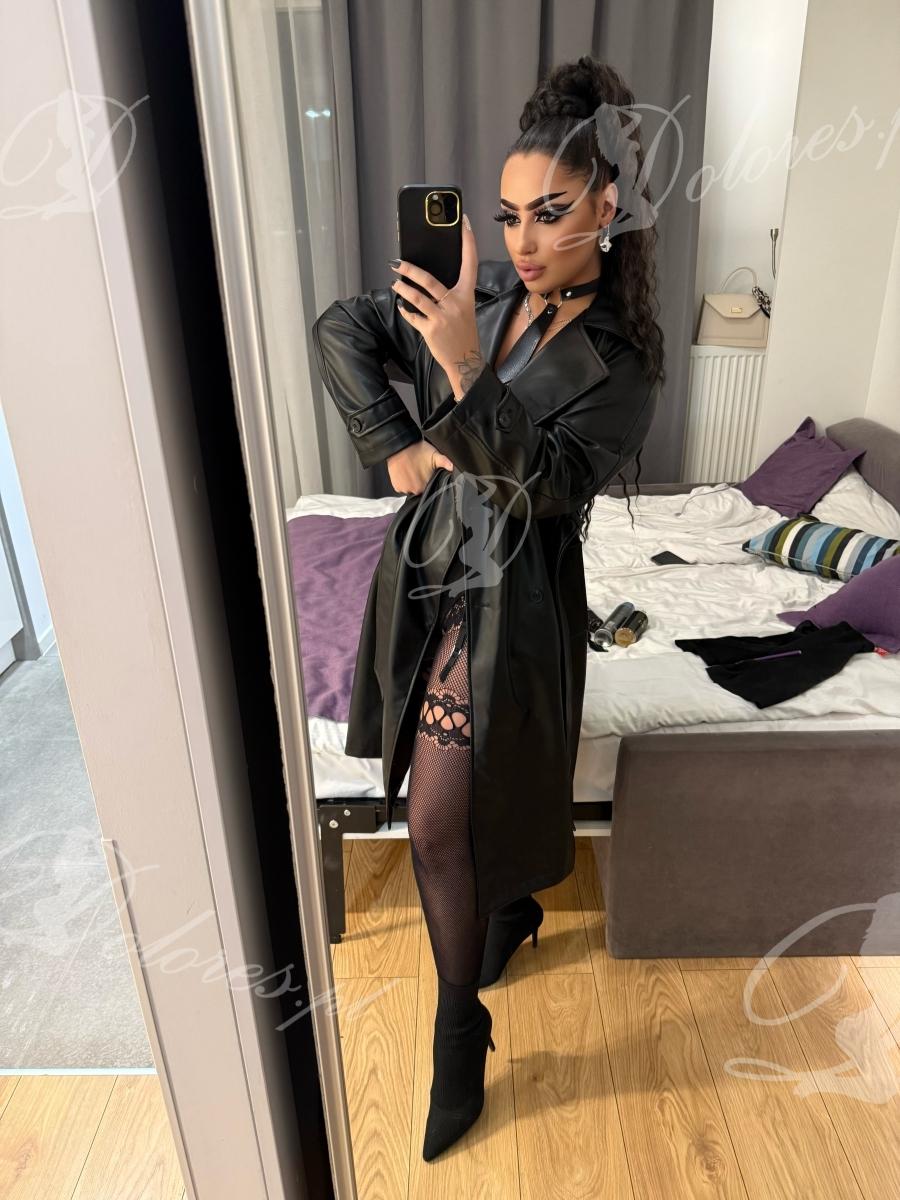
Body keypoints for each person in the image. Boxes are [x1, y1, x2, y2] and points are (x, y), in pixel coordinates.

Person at [312, 54, 665, 1162]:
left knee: (437, 822)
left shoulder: (624, 362)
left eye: (551, 213)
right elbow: (341, 327)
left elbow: (546, 483)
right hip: (429, 571)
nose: (523, 239)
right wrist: (395, 443)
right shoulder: (491, 300)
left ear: (608, 207)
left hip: (517, 599)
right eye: (510, 216)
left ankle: (458, 1028)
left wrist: (465, 369)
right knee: (452, 811)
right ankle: (509, 913)